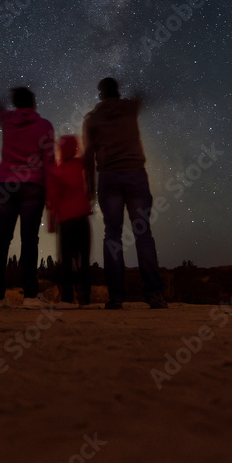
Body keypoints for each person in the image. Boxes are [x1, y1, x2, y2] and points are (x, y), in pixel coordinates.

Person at [83, 78, 167, 309]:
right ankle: (155, 294)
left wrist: (90, 187)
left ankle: (116, 297)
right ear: (118, 91)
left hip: (109, 177)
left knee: (112, 235)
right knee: (143, 233)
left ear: (100, 95)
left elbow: (88, 155)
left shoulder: (92, 118)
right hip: (135, 175)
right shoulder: (130, 108)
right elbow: (143, 95)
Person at [0, 86, 56, 309]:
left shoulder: (8, 119)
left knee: (2, 239)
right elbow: (49, 162)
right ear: (33, 103)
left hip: (6, 184)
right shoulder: (44, 126)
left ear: (16, 104)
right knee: (29, 240)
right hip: (32, 185)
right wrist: (51, 196)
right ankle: (29, 295)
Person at [46, 134, 93, 309]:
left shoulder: (55, 171)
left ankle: (67, 298)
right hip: (81, 218)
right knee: (84, 260)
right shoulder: (80, 164)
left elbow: (52, 198)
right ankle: (85, 298)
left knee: (66, 260)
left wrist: (51, 220)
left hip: (65, 222)